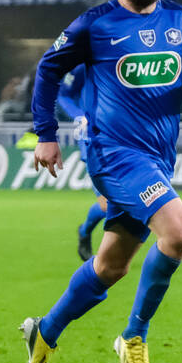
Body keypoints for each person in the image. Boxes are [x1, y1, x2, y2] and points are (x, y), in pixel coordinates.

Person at [21, 0, 182, 363]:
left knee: (110, 266)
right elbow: (48, 69)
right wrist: (46, 133)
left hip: (157, 159)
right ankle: (133, 336)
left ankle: (44, 331)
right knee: (179, 234)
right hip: (113, 154)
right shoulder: (95, 24)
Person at [57, 62, 109, 262]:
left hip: (125, 138)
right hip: (92, 139)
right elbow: (64, 94)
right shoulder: (81, 63)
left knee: (128, 205)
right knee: (108, 205)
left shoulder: (126, 55)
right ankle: (85, 231)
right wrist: (79, 116)